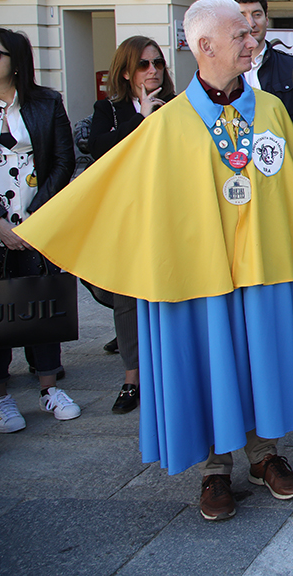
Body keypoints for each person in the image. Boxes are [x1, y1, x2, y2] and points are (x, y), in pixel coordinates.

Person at [19, 0, 293, 521]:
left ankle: (264, 455)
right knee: (211, 362)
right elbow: (119, 191)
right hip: (201, 274)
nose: (252, 41)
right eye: (240, 34)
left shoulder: (271, 110)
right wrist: (45, 228)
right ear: (205, 46)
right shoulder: (167, 123)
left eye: (251, 32)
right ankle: (215, 470)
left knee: (260, 358)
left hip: (265, 267)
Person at [0, 28, 79, 434]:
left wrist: (37, 217)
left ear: (15, 60)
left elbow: (64, 160)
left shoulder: (46, 102)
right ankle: (1, 399)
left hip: (37, 220)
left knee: (40, 302)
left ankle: (49, 387)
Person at [89, 35, 177, 415]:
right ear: (126, 72)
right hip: (126, 212)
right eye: (144, 64)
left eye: (157, 63)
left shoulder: (177, 105)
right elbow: (99, 150)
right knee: (127, 299)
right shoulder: (108, 110)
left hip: (169, 210)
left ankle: (170, 370)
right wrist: (141, 118)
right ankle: (132, 377)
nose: (153, 70)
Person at [224, 0, 293, 126]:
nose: (251, 23)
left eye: (257, 15)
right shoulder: (220, 72)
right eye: (242, 16)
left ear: (266, 19)